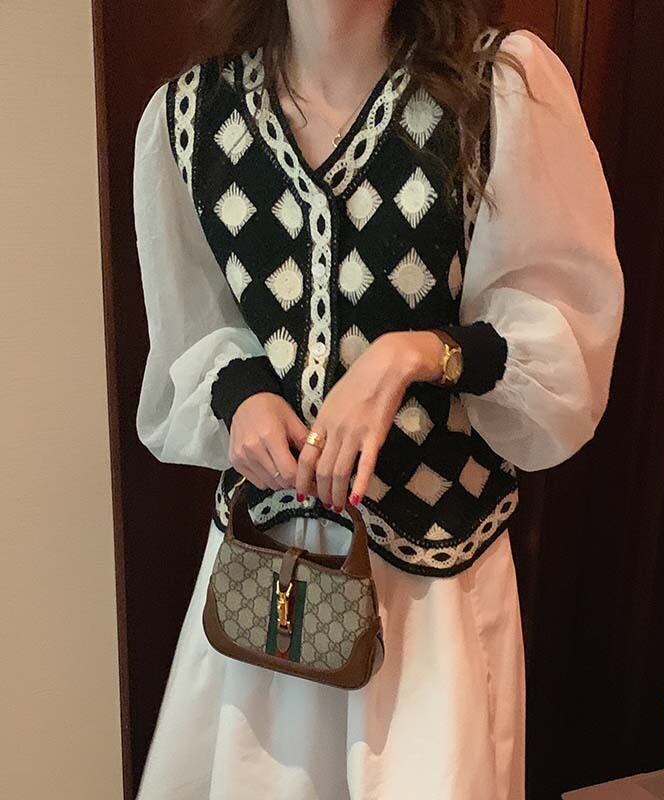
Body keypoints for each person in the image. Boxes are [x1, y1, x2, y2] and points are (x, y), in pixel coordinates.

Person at [132, 1, 625, 798]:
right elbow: (197, 329)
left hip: (432, 599)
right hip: (267, 589)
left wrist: (414, 353)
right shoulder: (194, 117)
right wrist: (242, 395)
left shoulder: (495, 93)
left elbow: (562, 344)